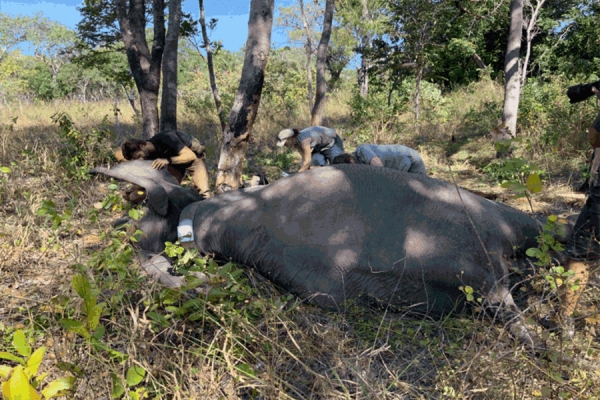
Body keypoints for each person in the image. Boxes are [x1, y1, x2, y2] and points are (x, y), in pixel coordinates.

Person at [115, 130, 211, 199]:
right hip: (174, 163)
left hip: (192, 157)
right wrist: (135, 188)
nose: (141, 159)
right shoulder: (148, 155)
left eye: (140, 156)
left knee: (204, 194)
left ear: (142, 145)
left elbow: (190, 156)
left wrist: (167, 160)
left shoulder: (166, 138)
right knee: (168, 190)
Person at [276, 126, 344, 172]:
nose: (285, 145)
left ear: (290, 138)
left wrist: (298, 174)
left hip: (332, 142)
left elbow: (308, 161)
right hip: (318, 147)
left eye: (285, 143)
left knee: (338, 167)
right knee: (314, 166)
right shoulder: (296, 143)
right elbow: (304, 159)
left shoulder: (304, 140)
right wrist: (302, 170)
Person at [331, 144, 427, 175]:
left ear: (350, 160)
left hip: (411, 159)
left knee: (422, 192)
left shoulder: (362, 150)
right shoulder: (358, 163)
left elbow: (380, 170)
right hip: (402, 165)